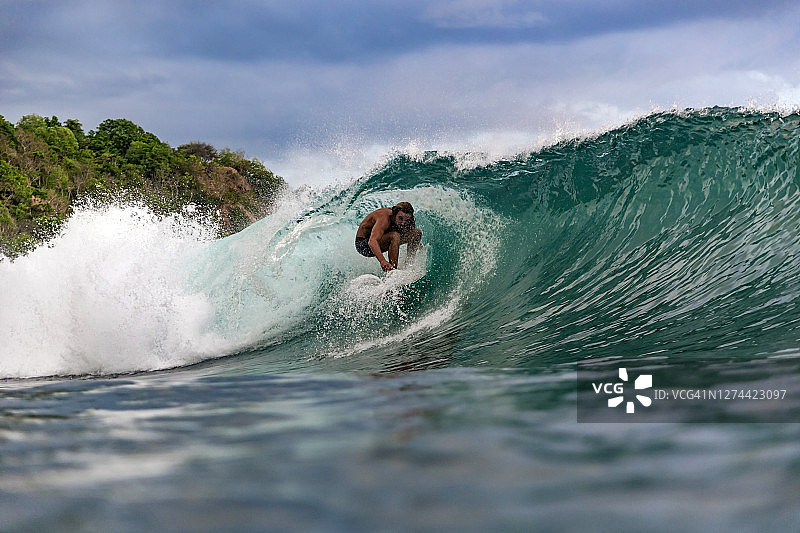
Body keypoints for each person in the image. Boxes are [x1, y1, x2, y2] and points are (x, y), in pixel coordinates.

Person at [355, 202, 422, 272]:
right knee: (394, 236)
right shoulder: (384, 218)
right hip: (364, 245)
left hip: (382, 239)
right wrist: (382, 261)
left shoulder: (408, 219)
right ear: (394, 214)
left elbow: (411, 234)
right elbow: (372, 241)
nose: (403, 223)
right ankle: (393, 272)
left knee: (416, 233)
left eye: (407, 220)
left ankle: (409, 265)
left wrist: (419, 246)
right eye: (400, 218)